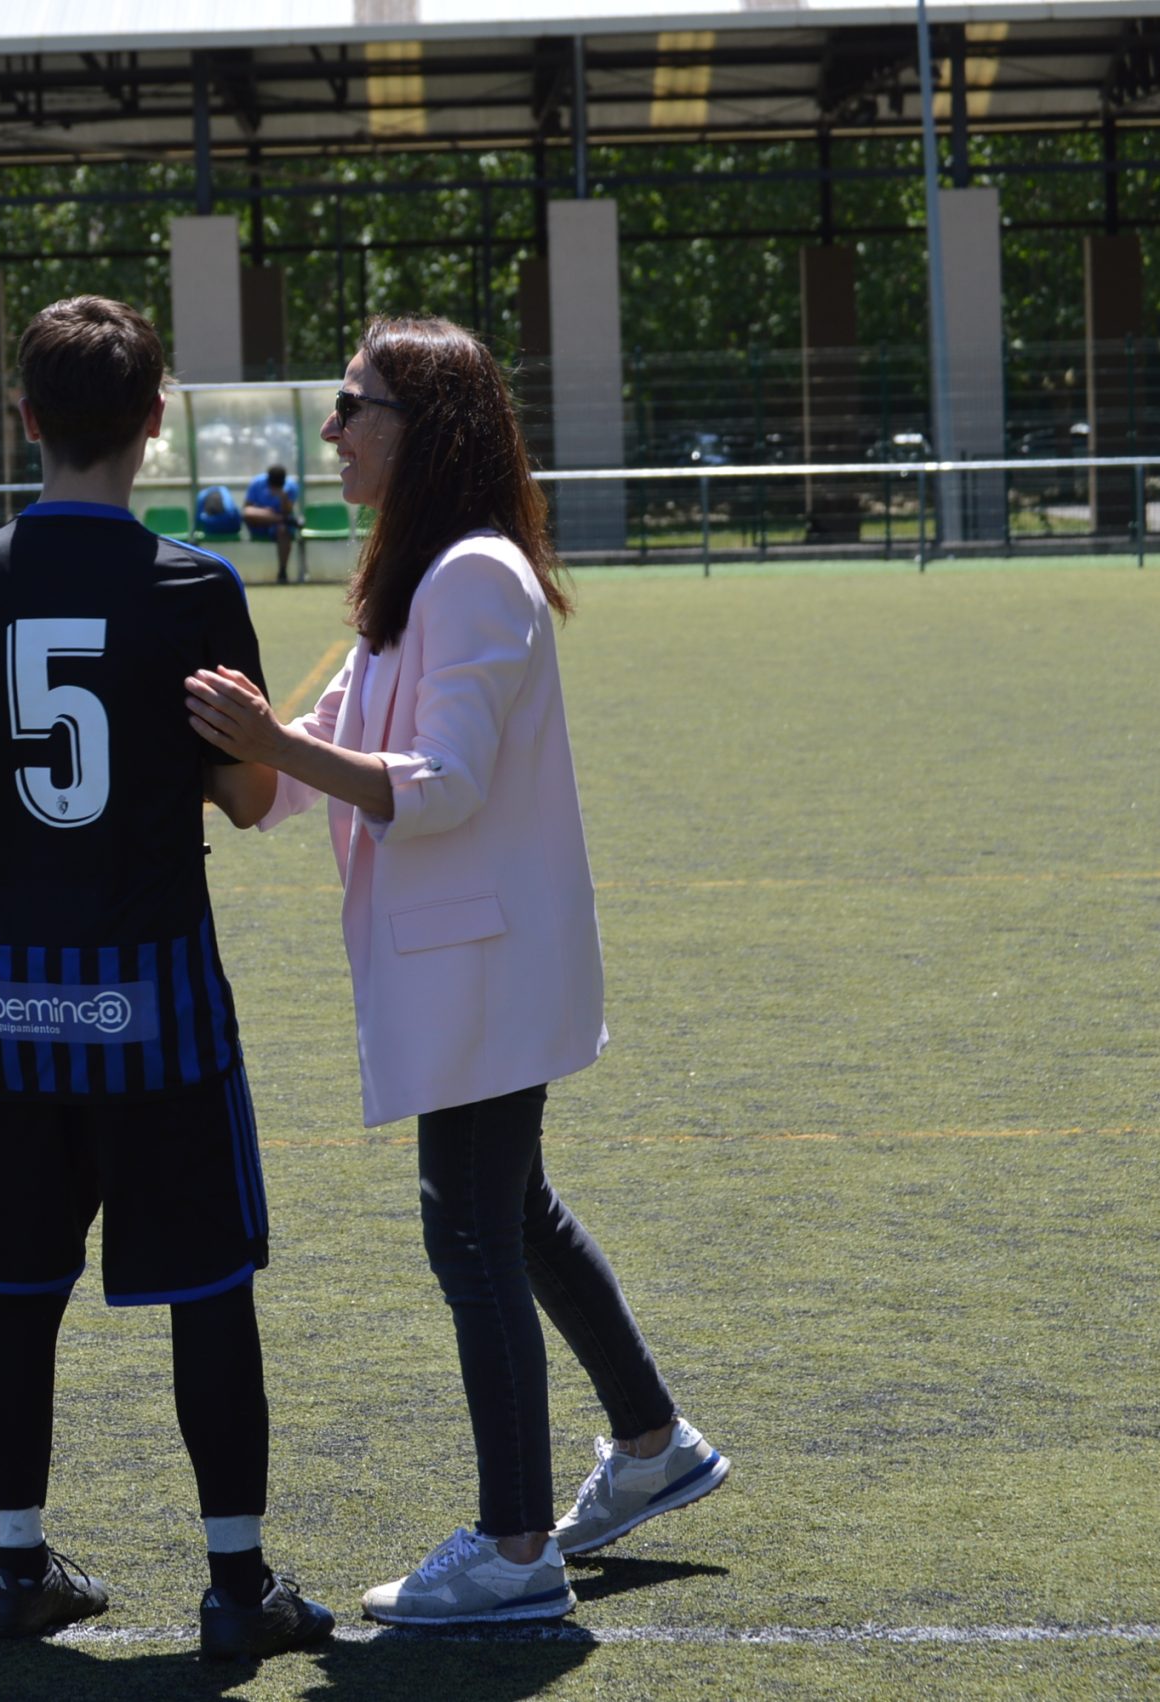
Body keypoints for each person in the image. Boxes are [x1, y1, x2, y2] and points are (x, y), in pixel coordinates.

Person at [185, 316, 727, 1627]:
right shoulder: (416, 571)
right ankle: (653, 1445)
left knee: (472, 1224)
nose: (332, 429)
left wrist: (272, 746)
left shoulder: (472, 573)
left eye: (353, 405)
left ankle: (515, 1544)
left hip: (485, 960)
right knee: (515, 1210)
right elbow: (302, 765)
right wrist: (218, 745)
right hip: (468, 958)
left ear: (422, 428)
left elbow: (441, 783)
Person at [0, 296, 334, 1662]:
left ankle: (13, 1566)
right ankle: (236, 1584)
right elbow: (250, 790)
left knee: (19, 1289)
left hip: (17, 1006)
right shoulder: (196, 589)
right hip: (155, 1003)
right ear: (155, 423)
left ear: (25, 418)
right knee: (208, 1284)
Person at [242, 463, 304, 584]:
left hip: (278, 527)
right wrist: (264, 512)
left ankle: (282, 571)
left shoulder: (290, 487)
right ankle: (281, 519)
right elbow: (247, 509)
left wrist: (283, 497)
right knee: (249, 513)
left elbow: (288, 511)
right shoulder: (257, 483)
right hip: (258, 523)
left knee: (283, 530)